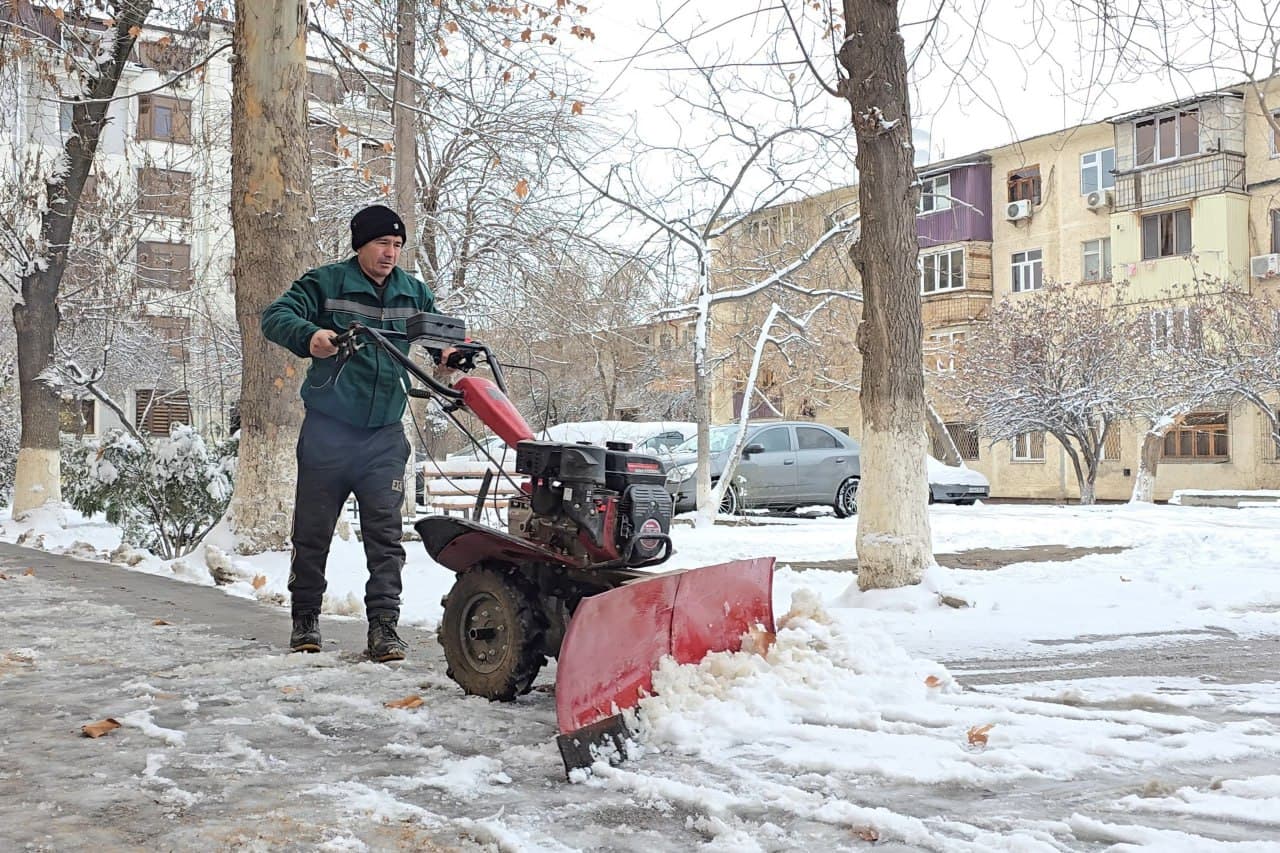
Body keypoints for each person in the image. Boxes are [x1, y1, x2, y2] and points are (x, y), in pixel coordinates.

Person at [261, 204, 435, 662]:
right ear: (361, 244)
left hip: (383, 436)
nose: (390, 253)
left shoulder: (412, 293)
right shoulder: (326, 283)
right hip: (329, 433)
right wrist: (310, 336)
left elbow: (440, 337)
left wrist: (453, 356)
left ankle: (383, 629)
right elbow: (275, 316)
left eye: (397, 245)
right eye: (382, 243)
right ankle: (305, 621)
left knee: (385, 536)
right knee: (313, 532)